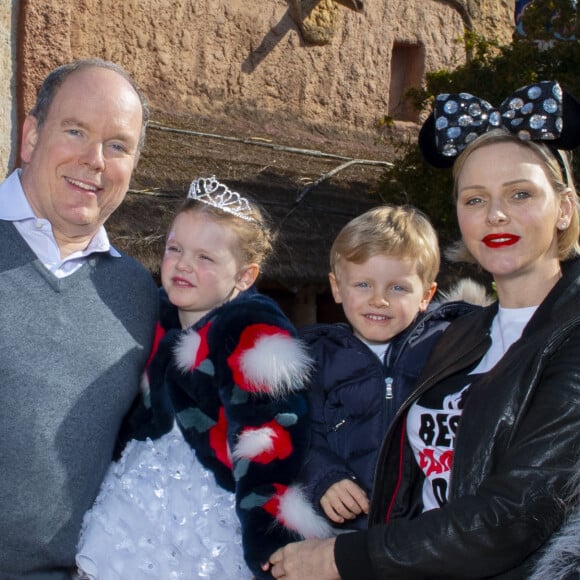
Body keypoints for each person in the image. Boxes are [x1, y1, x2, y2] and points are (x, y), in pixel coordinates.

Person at [266, 79, 580, 579]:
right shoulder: (460, 337)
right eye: (475, 199)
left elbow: (514, 515)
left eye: (520, 194)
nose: (495, 214)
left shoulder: (570, 335)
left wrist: (343, 557)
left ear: (564, 208)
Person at [76, 176, 331, 579]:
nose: (182, 264)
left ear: (245, 276)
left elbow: (269, 437)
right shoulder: (153, 312)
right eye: (174, 249)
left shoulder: (253, 330)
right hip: (140, 489)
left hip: (215, 504)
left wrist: (267, 541)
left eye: (205, 258)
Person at [0, 59, 159, 578]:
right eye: (75, 131)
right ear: (30, 136)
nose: (95, 160)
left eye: (117, 145)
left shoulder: (139, 296)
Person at [298, 205, 484, 530]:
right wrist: (324, 477)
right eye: (363, 285)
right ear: (337, 288)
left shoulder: (447, 348)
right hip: (344, 528)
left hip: (424, 530)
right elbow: (299, 431)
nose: (379, 300)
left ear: (426, 295)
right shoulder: (315, 358)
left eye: (397, 288)